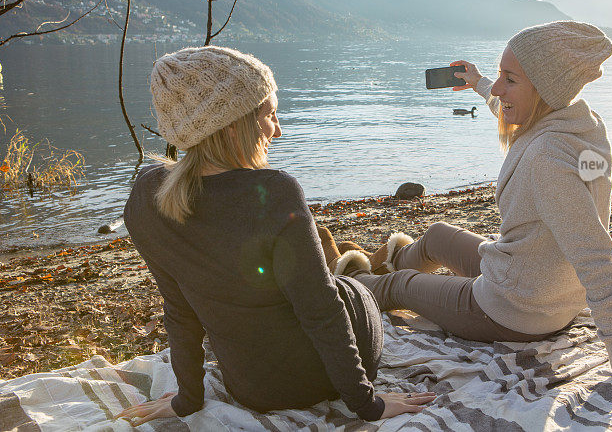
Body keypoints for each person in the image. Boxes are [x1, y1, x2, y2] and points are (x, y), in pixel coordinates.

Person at [336, 22, 612, 391]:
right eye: (498, 75)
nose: (498, 88)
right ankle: (384, 262)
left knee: (400, 286)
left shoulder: (546, 158)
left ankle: (345, 286)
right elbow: (509, 108)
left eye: (510, 78)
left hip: (518, 311)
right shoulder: (579, 123)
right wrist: (477, 82)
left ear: (545, 88)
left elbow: (595, 255)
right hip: (545, 286)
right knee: (437, 236)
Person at [117, 46, 435, 427]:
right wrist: (368, 406)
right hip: (320, 377)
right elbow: (322, 311)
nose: (278, 130)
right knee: (353, 289)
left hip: (251, 388)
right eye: (270, 115)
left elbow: (179, 310)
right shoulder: (274, 191)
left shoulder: (145, 197)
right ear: (234, 124)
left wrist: (188, 400)